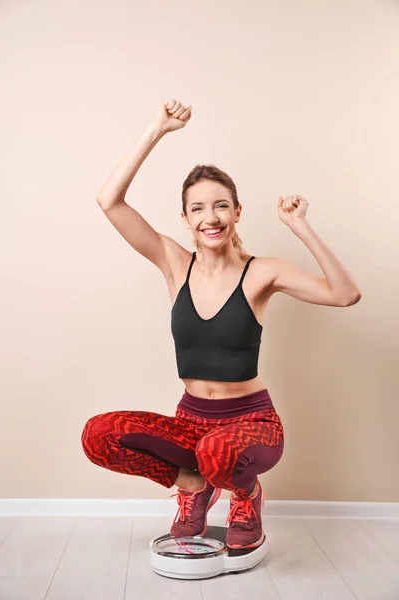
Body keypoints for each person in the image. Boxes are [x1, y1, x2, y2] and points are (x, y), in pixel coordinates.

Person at [81, 99, 362, 550]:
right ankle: (192, 485)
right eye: (198, 209)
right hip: (191, 421)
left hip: (252, 421)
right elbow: (108, 200)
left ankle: (246, 496)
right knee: (99, 435)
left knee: (218, 453)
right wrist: (157, 129)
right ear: (186, 219)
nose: (210, 217)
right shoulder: (174, 263)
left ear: (236, 212)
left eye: (220, 206)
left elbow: (345, 294)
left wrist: (300, 226)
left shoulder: (262, 272)